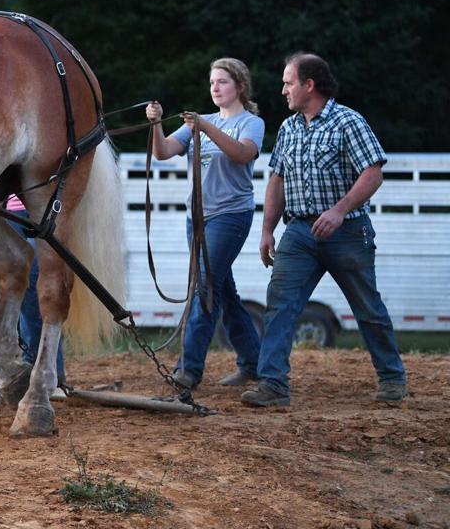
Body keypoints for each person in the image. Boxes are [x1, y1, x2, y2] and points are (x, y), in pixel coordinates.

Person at [242, 53, 404, 407]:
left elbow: (372, 172)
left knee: (367, 307)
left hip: (347, 230)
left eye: (288, 82)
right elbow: (277, 179)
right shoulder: (288, 128)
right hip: (299, 232)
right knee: (280, 305)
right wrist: (267, 229)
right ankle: (273, 385)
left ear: (309, 85)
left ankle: (392, 379)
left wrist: (338, 211)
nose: (283, 89)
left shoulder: (348, 122)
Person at [146, 58, 265, 391]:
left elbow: (242, 154)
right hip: (196, 218)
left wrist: (205, 128)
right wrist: (155, 124)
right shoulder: (201, 121)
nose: (215, 87)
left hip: (229, 216)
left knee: (204, 289)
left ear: (240, 86)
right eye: (212, 82)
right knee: (224, 292)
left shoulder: (250, 123)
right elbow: (164, 151)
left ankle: (189, 369)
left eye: (223, 82)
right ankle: (253, 362)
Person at [7, 195, 67, 399]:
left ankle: (47, 367)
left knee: (34, 281)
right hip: (12, 210)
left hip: (45, 206)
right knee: (19, 286)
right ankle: (34, 364)